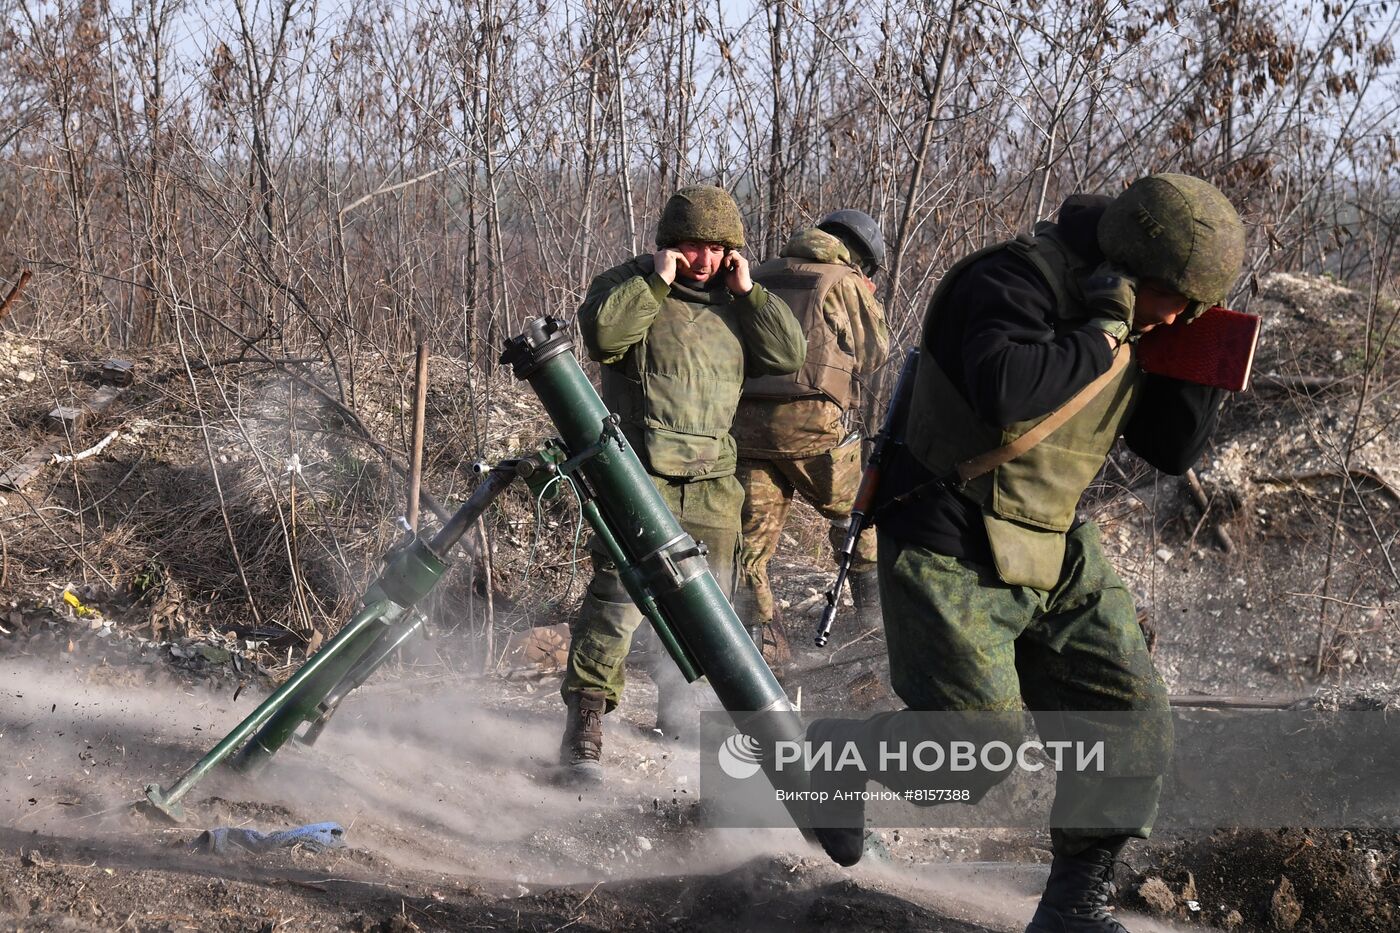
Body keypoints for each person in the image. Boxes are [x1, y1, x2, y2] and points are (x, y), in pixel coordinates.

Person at [807, 174, 1246, 933]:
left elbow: (1169, 448)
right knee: (977, 752)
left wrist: (1195, 367)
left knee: (1132, 715)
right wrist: (1106, 328)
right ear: (1131, 271)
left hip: (1054, 539)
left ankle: (1074, 904)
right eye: (1177, 298)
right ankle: (836, 760)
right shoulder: (1009, 279)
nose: (1180, 314)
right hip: (949, 529)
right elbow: (1006, 389)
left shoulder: (1145, 314)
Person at [558, 185, 807, 785]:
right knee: (616, 604)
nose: (705, 260)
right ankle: (586, 726)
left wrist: (749, 292)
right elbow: (604, 339)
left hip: (714, 483)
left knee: (710, 611)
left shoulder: (738, 300)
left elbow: (788, 353)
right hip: (638, 475)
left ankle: (679, 715)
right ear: (671, 244)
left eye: (719, 249)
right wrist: (656, 283)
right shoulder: (631, 284)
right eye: (694, 246)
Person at [732, 210, 890, 663]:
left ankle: (766, 650)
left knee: (751, 547)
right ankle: (872, 633)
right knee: (856, 521)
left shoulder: (758, 274)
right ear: (861, 256)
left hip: (748, 429)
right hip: (813, 431)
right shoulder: (844, 281)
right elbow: (875, 353)